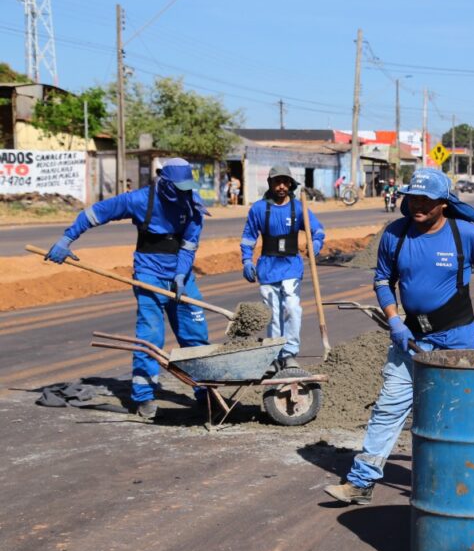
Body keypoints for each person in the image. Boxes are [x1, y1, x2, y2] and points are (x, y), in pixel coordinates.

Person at [324, 168, 474, 505]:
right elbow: (383, 280)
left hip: (457, 338)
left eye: (426, 200)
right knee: (388, 408)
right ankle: (361, 481)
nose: (417, 205)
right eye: (412, 197)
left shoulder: (467, 235)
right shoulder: (395, 235)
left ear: (443, 203)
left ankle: (465, 483)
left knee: (461, 413)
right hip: (411, 337)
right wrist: (394, 321)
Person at [44, 158, 209, 419]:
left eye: (187, 186)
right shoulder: (139, 200)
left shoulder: (192, 202)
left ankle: (205, 391)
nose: (183, 192)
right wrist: (66, 239)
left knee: (195, 335)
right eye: (179, 187)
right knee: (149, 338)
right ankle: (144, 396)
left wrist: (180, 274)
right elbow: (95, 213)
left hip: (182, 275)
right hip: (148, 275)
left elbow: (189, 244)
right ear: (165, 183)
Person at [240, 165, 326, 370]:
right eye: (276, 182)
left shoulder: (299, 208)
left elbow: (318, 230)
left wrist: (316, 243)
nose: (280, 186)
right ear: (270, 183)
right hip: (268, 267)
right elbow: (248, 237)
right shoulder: (259, 209)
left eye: (284, 182)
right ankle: (274, 353)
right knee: (273, 313)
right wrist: (246, 260)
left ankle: (289, 354)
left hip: (291, 266)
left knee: (292, 309)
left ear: (290, 184)